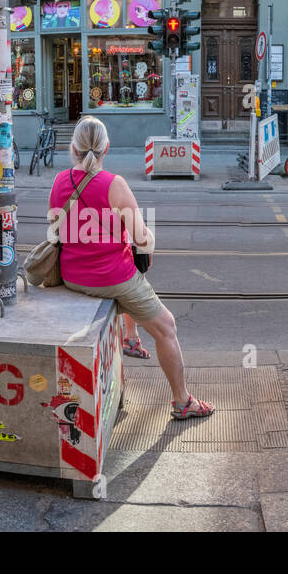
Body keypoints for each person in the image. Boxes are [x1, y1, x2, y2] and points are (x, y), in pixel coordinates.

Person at [49, 116, 212, 420]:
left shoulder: (59, 182)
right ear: (106, 148)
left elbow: (56, 230)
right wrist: (146, 238)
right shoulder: (115, 185)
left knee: (126, 274)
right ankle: (182, 402)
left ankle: (130, 336)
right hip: (110, 278)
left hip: (72, 276)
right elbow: (142, 238)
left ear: (72, 148)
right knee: (166, 327)